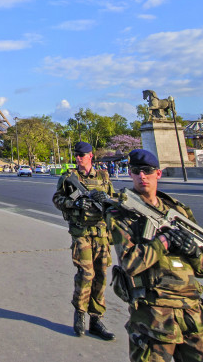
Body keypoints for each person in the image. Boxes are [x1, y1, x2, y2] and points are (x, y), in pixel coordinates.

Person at [111, 149, 203, 361]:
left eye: (147, 171)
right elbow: (130, 264)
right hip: (153, 316)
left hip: (192, 312)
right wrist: (164, 241)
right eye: (136, 171)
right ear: (130, 174)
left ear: (158, 173)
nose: (142, 176)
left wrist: (192, 252)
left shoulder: (179, 212)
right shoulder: (121, 213)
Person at [51, 141, 117, 341]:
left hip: (102, 233)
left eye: (83, 155)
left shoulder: (103, 177)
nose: (79, 158)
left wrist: (106, 200)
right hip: (82, 233)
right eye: (77, 155)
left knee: (101, 276)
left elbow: (113, 203)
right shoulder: (70, 178)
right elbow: (57, 200)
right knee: (86, 273)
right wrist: (75, 202)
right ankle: (79, 314)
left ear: (90, 156)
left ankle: (96, 319)